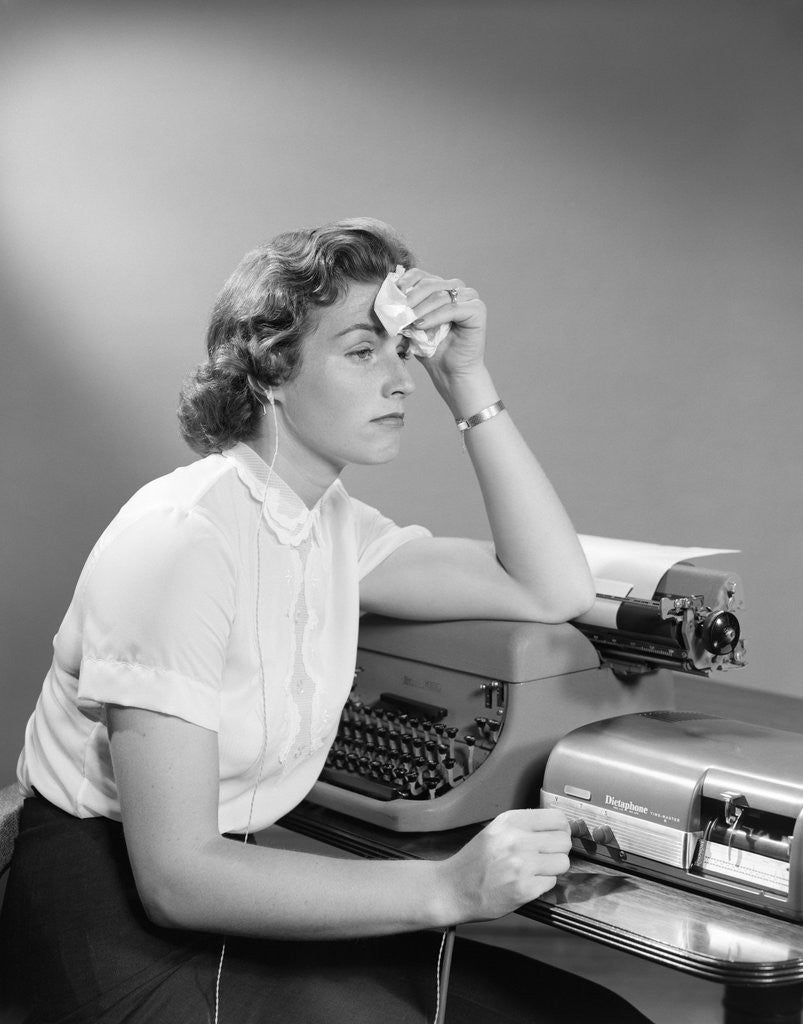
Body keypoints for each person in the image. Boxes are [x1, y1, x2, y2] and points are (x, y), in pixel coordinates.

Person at [0, 219, 652, 1024]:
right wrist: (447, 886)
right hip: (108, 926)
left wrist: (468, 381)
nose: (400, 380)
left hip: (231, 894)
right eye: (359, 351)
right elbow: (176, 879)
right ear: (270, 371)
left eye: (399, 350)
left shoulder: (330, 523)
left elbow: (549, 586)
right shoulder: (183, 539)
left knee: (589, 1016)